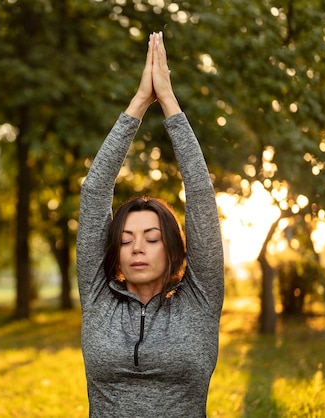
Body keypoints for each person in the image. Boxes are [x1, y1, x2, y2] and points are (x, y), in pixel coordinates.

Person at [76, 32, 224, 417]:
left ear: (172, 246)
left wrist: (170, 103)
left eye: (151, 238)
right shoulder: (98, 299)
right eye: (125, 240)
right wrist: (140, 102)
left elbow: (201, 195)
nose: (137, 248)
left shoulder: (200, 300)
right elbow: (94, 192)